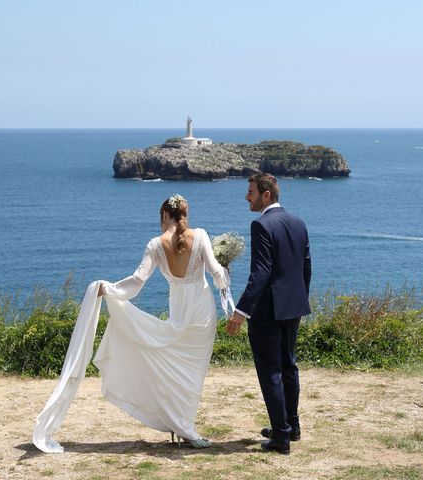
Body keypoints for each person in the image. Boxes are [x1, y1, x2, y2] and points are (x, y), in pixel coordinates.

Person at [33, 194, 229, 452]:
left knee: (169, 362)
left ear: (163, 216)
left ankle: (180, 424)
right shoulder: (201, 235)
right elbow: (216, 273)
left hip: (179, 310)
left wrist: (108, 289)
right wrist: (226, 277)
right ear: (185, 215)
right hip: (202, 313)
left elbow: (136, 282)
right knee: (192, 372)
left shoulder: (155, 245)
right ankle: (184, 425)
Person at [227, 174, 311, 455]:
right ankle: (291, 425)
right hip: (293, 306)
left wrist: (240, 311)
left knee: (271, 371)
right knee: (289, 365)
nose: (246, 197)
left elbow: (260, 273)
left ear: (266, 195)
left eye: (250, 192)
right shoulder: (298, 223)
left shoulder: (261, 225)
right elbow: (306, 267)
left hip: (268, 311)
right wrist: (300, 299)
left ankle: (281, 437)